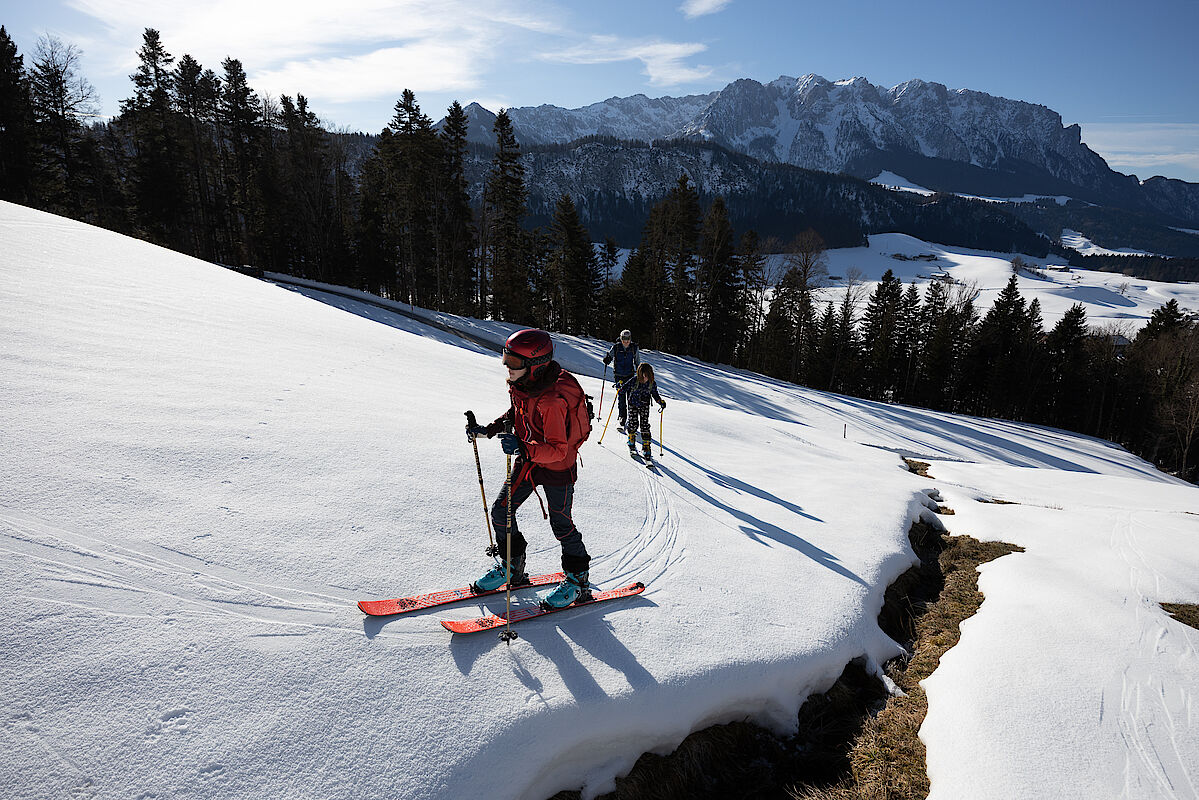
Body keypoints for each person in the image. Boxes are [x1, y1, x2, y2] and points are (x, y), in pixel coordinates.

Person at [465, 329, 592, 608]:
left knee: (561, 523)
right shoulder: (523, 385)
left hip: (557, 466)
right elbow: (517, 412)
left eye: (514, 363)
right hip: (530, 457)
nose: (507, 368)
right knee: (501, 510)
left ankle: (578, 582)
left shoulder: (552, 400)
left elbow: (559, 448)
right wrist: (489, 430)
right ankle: (513, 568)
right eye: (505, 359)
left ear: (535, 366)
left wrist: (522, 447)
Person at [626, 363, 666, 464]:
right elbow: (625, 387)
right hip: (633, 404)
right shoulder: (634, 380)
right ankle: (631, 441)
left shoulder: (652, 383)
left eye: (646, 376)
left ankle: (646, 447)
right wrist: (620, 387)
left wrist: (660, 401)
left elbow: (655, 394)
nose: (645, 378)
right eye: (643, 375)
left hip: (644, 405)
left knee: (644, 426)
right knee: (633, 423)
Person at [602, 329, 640, 432]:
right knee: (621, 397)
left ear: (630, 339)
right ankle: (622, 417)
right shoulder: (616, 347)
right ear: (621, 338)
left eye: (628, 339)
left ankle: (631, 417)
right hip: (619, 376)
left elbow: (637, 362)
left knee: (631, 397)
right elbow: (609, 356)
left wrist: (639, 372)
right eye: (624, 338)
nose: (626, 341)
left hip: (630, 376)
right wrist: (607, 359)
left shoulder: (634, 348)